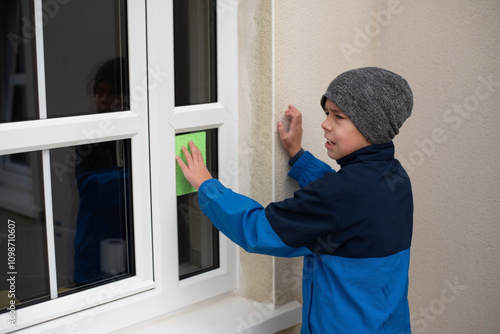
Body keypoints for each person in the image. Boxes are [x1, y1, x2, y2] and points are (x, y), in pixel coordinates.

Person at [176, 67, 414, 333]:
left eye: (339, 116)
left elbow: (258, 228)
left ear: (372, 125)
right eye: (327, 113)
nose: (325, 123)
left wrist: (208, 186)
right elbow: (341, 204)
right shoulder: (395, 177)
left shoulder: (341, 195)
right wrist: (298, 156)